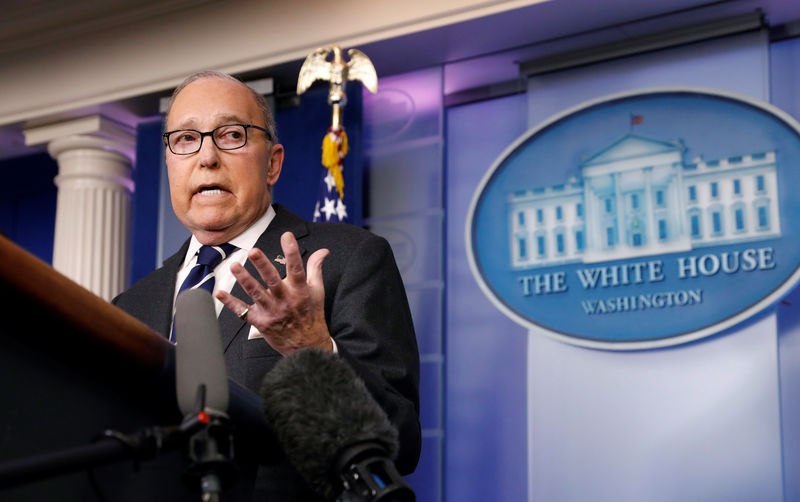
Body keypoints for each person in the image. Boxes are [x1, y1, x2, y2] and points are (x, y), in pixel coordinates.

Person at [112, 70, 420, 499]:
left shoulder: (346, 260)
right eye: (185, 139)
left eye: (232, 135)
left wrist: (312, 349)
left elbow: (400, 440)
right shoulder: (131, 304)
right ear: (168, 162)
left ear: (272, 162)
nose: (206, 157)